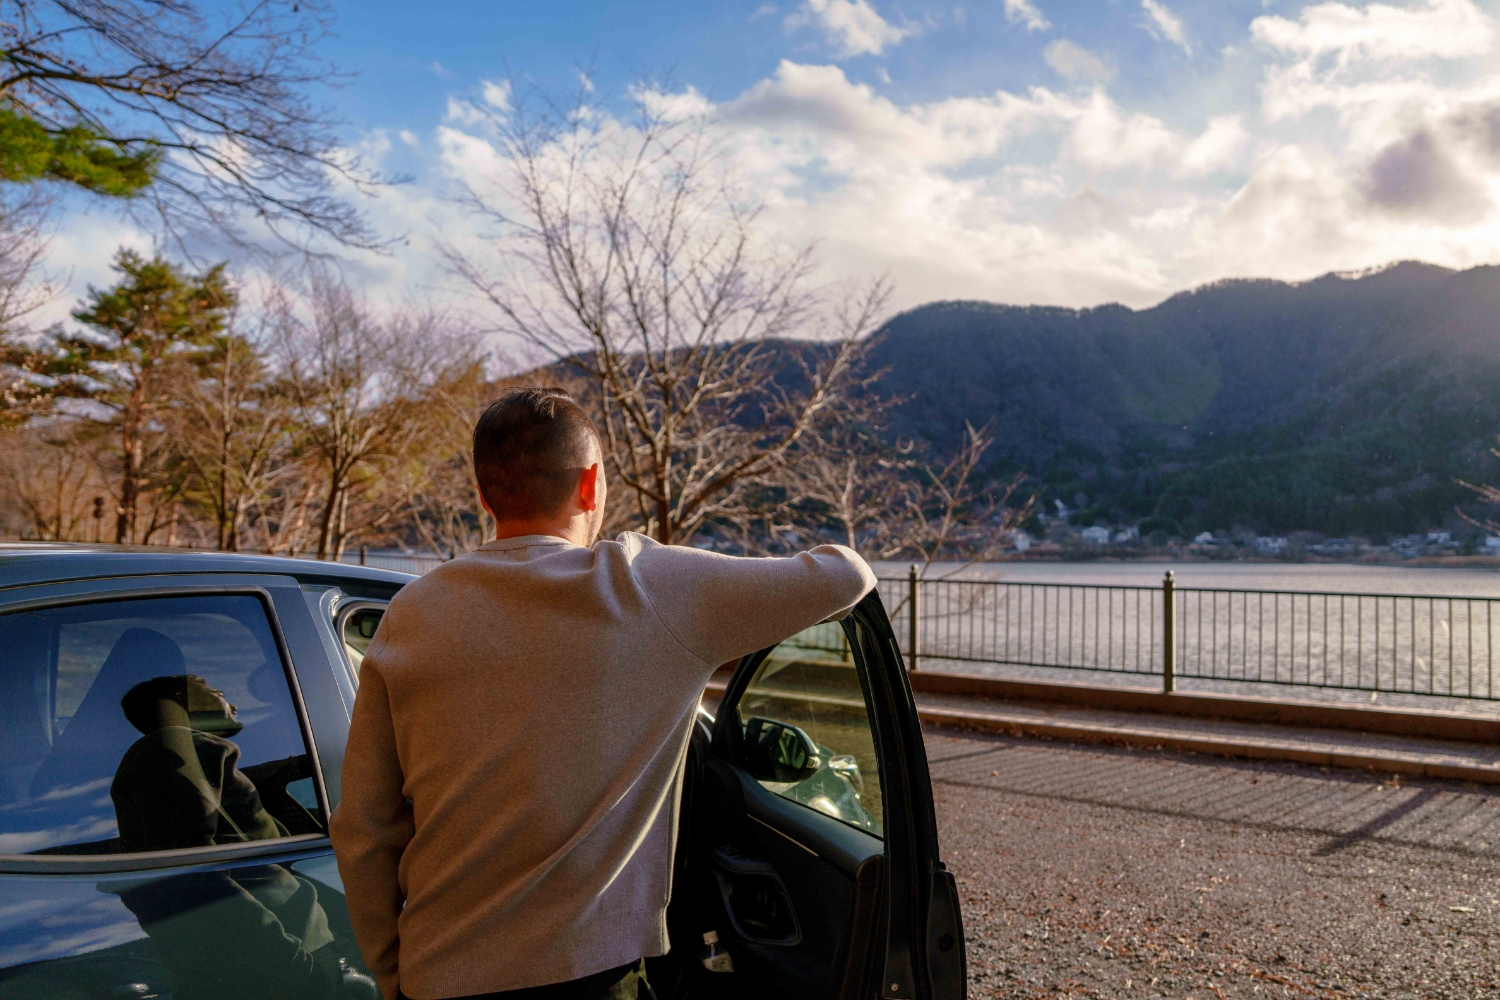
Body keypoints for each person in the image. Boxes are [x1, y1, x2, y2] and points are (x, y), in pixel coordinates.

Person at [330, 387, 876, 1000]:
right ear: (591, 486)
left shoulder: (412, 613)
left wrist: (390, 971)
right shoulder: (646, 589)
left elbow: (366, 828)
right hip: (591, 977)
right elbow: (846, 575)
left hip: (440, 977)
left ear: (484, 496)